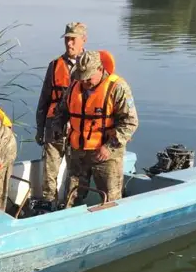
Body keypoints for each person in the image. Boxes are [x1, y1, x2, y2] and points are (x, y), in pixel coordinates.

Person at [47, 50, 138, 207]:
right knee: (72, 195)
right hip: (78, 152)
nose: (84, 82)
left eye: (88, 78)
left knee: (110, 198)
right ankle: (71, 222)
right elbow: (62, 111)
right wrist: (57, 126)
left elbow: (130, 122)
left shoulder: (117, 88)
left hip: (105, 154)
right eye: (81, 78)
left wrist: (109, 147)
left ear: (100, 70)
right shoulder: (75, 84)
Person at [35, 22, 88, 210]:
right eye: (67, 39)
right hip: (53, 127)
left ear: (84, 40)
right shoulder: (54, 65)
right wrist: (40, 128)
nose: (69, 44)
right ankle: (48, 203)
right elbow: (44, 99)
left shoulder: (91, 66)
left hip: (78, 128)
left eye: (73, 39)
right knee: (50, 169)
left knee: (76, 170)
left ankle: (71, 205)